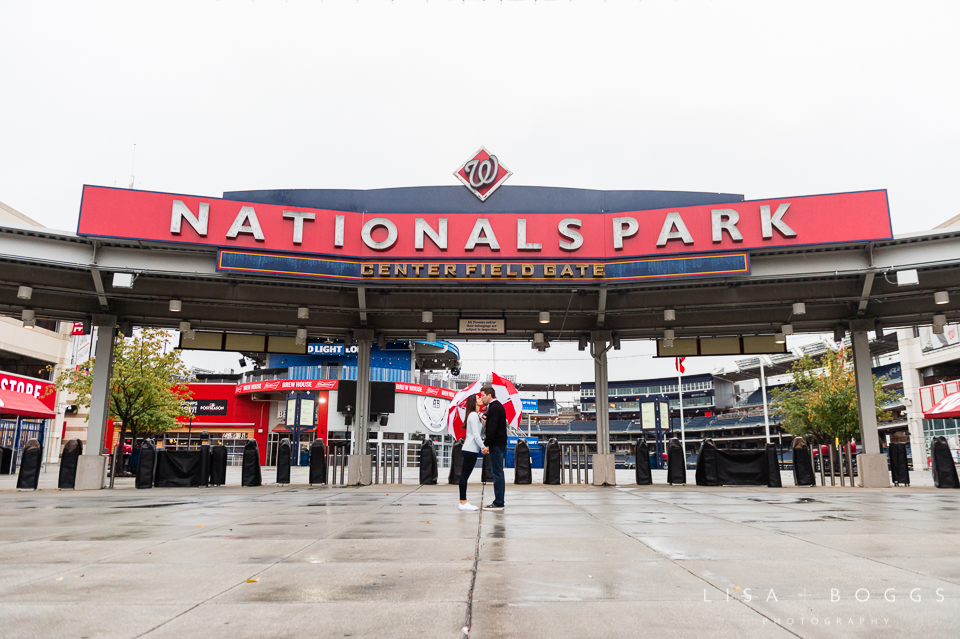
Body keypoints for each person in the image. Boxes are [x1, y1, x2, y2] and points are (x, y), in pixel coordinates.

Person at [480, 385, 507, 511]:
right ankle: (499, 501)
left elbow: (493, 428)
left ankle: (499, 502)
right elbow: (491, 424)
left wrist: (486, 444)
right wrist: (486, 415)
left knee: (497, 473)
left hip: (496, 444)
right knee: (498, 472)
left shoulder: (495, 407)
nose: (482, 398)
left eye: (483, 395)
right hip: (498, 443)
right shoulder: (494, 407)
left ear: (489, 395)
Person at [458, 395, 483, 512]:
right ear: (474, 402)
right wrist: (483, 447)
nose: (480, 399)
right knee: (464, 476)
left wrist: (483, 422)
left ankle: (463, 501)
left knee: (465, 475)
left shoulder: (475, 416)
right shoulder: (473, 415)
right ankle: (463, 502)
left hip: (471, 449)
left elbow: (479, 432)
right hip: (470, 449)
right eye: (478, 398)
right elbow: (476, 435)